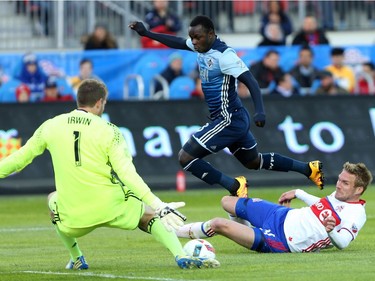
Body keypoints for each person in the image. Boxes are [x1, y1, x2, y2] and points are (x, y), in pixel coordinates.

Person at [0, 79, 220, 270]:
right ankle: (180, 255)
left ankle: (77, 259)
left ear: (79, 101)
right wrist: (157, 203)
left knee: (52, 201)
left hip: (75, 215)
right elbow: (127, 174)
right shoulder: (110, 131)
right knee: (148, 216)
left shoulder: (50, 126)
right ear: (99, 103)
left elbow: (19, 159)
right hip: (110, 204)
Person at [129, 15, 325, 201]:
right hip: (235, 118)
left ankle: (234, 186)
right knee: (253, 161)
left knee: (185, 157)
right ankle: (308, 169)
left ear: (211, 34)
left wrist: (260, 110)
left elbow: (251, 81)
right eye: (192, 38)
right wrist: (147, 34)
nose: (194, 42)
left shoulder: (225, 56)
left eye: (197, 37)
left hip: (227, 119)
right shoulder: (202, 46)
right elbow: (179, 42)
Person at [177, 162, 372, 253]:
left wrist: (330, 232)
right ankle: (248, 230)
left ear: (359, 190)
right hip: (281, 214)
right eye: (339, 180)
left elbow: (344, 242)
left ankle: (173, 231)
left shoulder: (356, 214)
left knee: (219, 224)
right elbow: (322, 205)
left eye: (345, 183)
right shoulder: (339, 195)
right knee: (227, 202)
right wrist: (298, 193)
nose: (338, 185)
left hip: (282, 240)